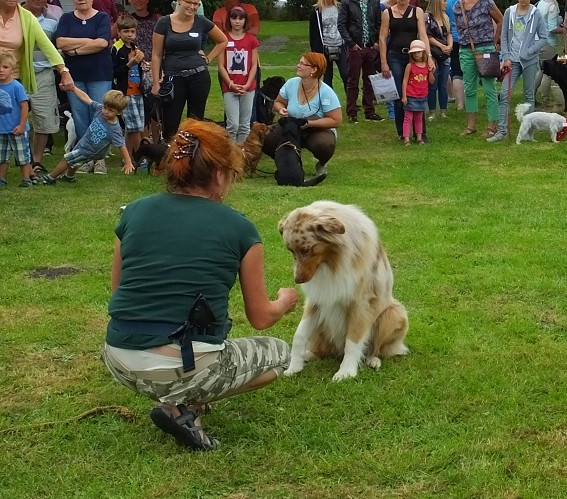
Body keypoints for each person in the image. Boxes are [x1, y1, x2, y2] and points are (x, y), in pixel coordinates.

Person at [101, 119, 298, 451]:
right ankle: (185, 408)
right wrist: (285, 300)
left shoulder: (133, 212)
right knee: (283, 357)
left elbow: (119, 292)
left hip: (118, 357)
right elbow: (261, 317)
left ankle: (179, 401)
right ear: (220, 175)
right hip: (183, 363)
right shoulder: (240, 228)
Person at [151, 0, 227, 140]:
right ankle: (170, 157)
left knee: (196, 124)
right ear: (179, 0)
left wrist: (208, 58)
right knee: (171, 123)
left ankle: (193, 159)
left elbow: (223, 41)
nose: (192, 7)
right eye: (189, 2)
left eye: (196, 4)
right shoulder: (164, 22)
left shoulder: (201, 21)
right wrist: (156, 83)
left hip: (198, 77)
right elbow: (156, 54)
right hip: (173, 78)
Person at [56, 0, 112, 168]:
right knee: (80, 115)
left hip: (100, 74)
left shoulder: (102, 17)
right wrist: (90, 40)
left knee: (100, 114)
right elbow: (60, 43)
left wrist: (76, 50)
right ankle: (84, 156)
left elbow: (103, 43)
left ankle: (99, 158)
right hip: (75, 75)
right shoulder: (66, 18)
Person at [262, 52, 342, 176]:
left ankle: (322, 163)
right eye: (299, 62)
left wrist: (310, 124)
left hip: (316, 128)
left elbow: (336, 120)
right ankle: (288, 162)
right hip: (291, 124)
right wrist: (280, 109)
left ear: (314, 70)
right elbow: (278, 102)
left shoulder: (327, 92)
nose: (298, 66)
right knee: (266, 138)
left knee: (324, 144)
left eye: (302, 64)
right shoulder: (291, 83)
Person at [20, 0, 67, 177]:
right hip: (15, 74)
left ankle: (36, 161)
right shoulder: (15, 15)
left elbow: (57, 46)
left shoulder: (54, 18)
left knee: (44, 118)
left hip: (44, 74)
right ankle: (18, 159)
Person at [40, 88, 134, 182]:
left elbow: (122, 146)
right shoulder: (99, 110)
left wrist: (128, 162)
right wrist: (74, 89)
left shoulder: (114, 129)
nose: (105, 111)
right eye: (105, 107)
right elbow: (86, 99)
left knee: (67, 159)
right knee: (74, 162)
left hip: (90, 150)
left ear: (119, 112)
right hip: (84, 143)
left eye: (111, 110)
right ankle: (69, 177)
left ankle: (50, 178)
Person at [452, 0, 503, 138]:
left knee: (489, 87)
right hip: (466, 50)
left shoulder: (486, 2)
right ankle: (471, 125)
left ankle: (492, 125)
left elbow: (500, 20)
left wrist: (495, 41)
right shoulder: (457, 6)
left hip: (485, 49)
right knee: (469, 88)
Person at [380, 0, 433, 140]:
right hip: (394, 55)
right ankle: (403, 133)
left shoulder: (417, 11)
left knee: (417, 90)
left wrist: (428, 57)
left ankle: (420, 132)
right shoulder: (387, 13)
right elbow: (382, 38)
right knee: (398, 93)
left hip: (415, 56)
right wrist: (383, 62)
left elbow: (423, 35)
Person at [495, 0, 545, 141]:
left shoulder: (536, 13)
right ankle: (501, 131)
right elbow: (504, 37)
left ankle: (528, 133)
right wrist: (506, 57)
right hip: (512, 61)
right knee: (504, 94)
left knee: (529, 95)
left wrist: (529, 52)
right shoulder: (510, 12)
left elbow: (543, 38)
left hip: (529, 61)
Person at [338, 0, 384, 123]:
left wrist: (376, 41)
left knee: (370, 79)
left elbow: (378, 23)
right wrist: (351, 43)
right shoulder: (347, 1)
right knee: (353, 80)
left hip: (370, 46)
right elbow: (342, 25)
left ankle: (369, 110)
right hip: (355, 47)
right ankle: (352, 111)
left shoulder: (374, 1)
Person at [219, 7, 259, 144]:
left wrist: (248, 84)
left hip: (248, 86)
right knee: (232, 125)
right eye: (234, 18)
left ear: (245, 20)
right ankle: (231, 154)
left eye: (240, 18)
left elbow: (254, 64)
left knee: (244, 125)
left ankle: (241, 154)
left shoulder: (251, 40)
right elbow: (221, 66)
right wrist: (230, 83)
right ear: (229, 20)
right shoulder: (223, 38)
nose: (237, 22)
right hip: (230, 86)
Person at [111, 15, 146, 162]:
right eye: (126, 31)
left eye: (132, 31)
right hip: (125, 93)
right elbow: (113, 72)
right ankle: (139, 157)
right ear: (119, 32)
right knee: (135, 128)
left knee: (135, 127)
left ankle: (128, 156)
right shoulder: (116, 49)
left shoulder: (134, 47)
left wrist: (143, 65)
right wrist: (129, 64)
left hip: (138, 91)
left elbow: (138, 69)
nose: (130, 35)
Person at [0, 50, 34, 188]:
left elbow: (24, 107)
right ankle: (1, 179)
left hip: (16, 128)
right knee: (1, 156)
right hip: (1, 128)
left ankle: (26, 179)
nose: (1, 70)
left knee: (22, 155)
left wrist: (21, 125)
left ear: (12, 69)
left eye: (5, 67)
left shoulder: (17, 87)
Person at [308, 0, 345, 91]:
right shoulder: (316, 10)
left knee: (346, 73)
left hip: (340, 45)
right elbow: (313, 32)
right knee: (327, 76)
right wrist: (315, 51)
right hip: (324, 47)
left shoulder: (340, 7)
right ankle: (329, 102)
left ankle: (351, 103)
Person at [534, 0, 565, 107]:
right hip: (548, 42)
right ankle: (545, 99)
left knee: (540, 70)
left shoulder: (540, 3)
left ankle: (530, 95)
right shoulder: (552, 5)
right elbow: (552, 27)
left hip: (538, 41)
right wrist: (566, 30)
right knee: (548, 72)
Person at [425, 0, 453, 119]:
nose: (446, 3)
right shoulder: (428, 17)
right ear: (437, 2)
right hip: (434, 53)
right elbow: (427, 35)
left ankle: (443, 110)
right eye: (444, 1)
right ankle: (431, 111)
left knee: (443, 83)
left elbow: (449, 33)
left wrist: (450, 46)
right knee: (433, 83)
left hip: (445, 54)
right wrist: (441, 46)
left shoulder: (445, 17)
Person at [402, 40, 433, 145]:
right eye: (414, 53)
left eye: (419, 52)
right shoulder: (410, 66)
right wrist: (404, 96)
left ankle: (419, 137)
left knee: (419, 117)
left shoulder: (426, 66)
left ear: (424, 52)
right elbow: (405, 81)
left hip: (422, 95)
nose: (416, 55)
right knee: (408, 117)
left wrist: (431, 72)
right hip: (411, 95)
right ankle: (406, 138)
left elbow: (431, 81)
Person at [445, 0, 466, 111]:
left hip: (453, 38)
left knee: (456, 71)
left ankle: (459, 103)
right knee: (469, 72)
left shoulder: (447, 0)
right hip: (469, 39)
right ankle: (470, 101)